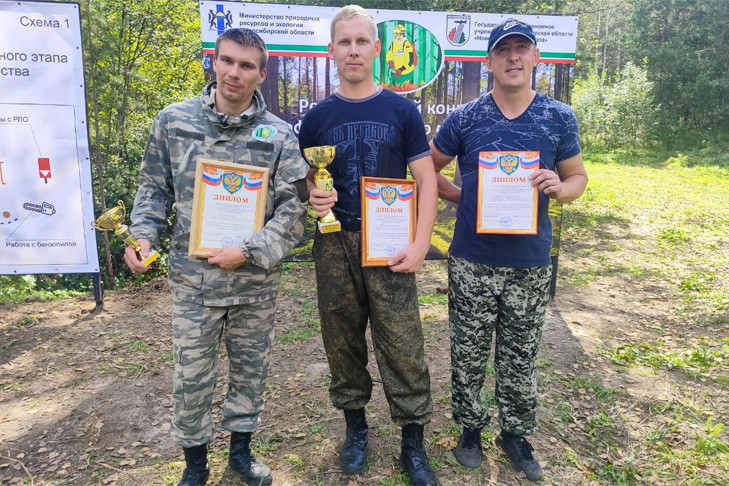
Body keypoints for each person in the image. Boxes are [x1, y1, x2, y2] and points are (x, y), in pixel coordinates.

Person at [124, 28, 309, 486]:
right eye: (227, 61)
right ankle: (195, 464)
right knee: (191, 378)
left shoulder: (280, 136)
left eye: (247, 66)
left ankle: (241, 456)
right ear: (215, 61)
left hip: (253, 284)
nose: (234, 72)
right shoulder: (175, 121)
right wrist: (142, 236)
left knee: (251, 372)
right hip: (193, 282)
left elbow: (295, 208)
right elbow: (153, 188)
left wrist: (248, 250)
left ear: (261, 74)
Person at [430, 19, 588, 481]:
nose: (513, 57)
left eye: (522, 49)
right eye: (504, 50)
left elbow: (578, 177)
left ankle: (515, 433)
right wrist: (459, 195)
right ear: (490, 61)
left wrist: (562, 186)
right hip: (472, 257)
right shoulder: (466, 117)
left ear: (536, 57)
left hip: (530, 260)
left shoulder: (559, 116)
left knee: (521, 351)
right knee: (469, 348)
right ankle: (471, 428)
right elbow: (426, 167)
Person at [298, 5, 439, 486]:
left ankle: (412, 441)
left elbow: (426, 178)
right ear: (332, 49)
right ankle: (355, 429)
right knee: (341, 340)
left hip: (389, 241)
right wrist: (312, 196)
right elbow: (302, 183)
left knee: (402, 342)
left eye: (362, 41)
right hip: (334, 244)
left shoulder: (402, 109)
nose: (354, 50)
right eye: (345, 42)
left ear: (377, 48)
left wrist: (421, 242)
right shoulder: (317, 117)